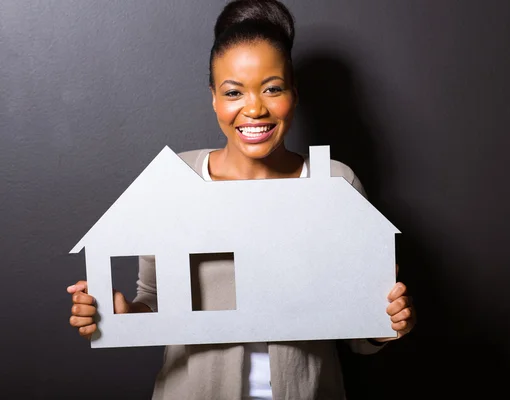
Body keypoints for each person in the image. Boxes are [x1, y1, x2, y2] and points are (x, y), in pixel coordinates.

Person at [67, 0, 416, 398]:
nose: (253, 108)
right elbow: (155, 298)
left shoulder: (335, 182)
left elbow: (358, 329)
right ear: (214, 98)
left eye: (272, 88)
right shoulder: (175, 181)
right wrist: (124, 315)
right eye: (234, 91)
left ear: (293, 95)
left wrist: (386, 322)